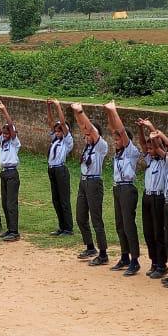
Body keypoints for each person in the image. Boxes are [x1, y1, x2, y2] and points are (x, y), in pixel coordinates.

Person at [103, 102, 142, 276]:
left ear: (126, 140)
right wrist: (108, 113)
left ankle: (135, 260)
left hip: (127, 189)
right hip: (118, 188)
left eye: (118, 139)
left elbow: (120, 130)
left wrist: (114, 110)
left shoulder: (130, 151)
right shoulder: (118, 154)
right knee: (120, 225)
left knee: (128, 224)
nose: (115, 141)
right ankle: (125, 256)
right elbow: (113, 128)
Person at [70, 103, 109, 265]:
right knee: (80, 217)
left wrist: (81, 112)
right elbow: (84, 127)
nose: (87, 136)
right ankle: (90, 247)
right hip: (84, 181)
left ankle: (103, 254)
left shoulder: (101, 146)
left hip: (94, 182)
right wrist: (77, 114)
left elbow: (90, 129)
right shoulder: (88, 147)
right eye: (85, 135)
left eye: (89, 134)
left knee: (96, 219)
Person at [136, 119, 168, 280]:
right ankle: (154, 261)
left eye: (151, 148)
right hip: (147, 196)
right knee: (148, 231)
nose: (148, 150)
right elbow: (143, 143)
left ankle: (162, 264)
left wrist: (150, 128)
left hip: (158, 197)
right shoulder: (149, 159)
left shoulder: (165, 161)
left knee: (158, 232)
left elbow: (158, 144)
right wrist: (141, 129)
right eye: (147, 149)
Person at [44, 99, 74, 237]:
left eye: (59, 131)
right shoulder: (55, 140)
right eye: (56, 131)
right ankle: (61, 226)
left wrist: (58, 106)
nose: (57, 133)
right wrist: (48, 108)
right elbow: (51, 122)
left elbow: (62, 123)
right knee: (56, 199)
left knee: (63, 199)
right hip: (52, 169)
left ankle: (68, 228)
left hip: (61, 170)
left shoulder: (67, 141)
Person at [0, 102, 22, 241]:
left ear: (12, 133)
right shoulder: (3, 141)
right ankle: (10, 229)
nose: (4, 135)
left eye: (7, 133)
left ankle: (14, 232)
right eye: (3, 133)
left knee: (11, 203)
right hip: (4, 173)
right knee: (4, 203)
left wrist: (4, 110)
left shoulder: (14, 142)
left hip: (12, 173)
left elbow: (10, 124)